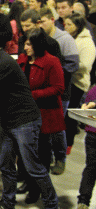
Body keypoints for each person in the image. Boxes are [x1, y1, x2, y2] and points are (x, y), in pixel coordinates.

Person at [0, 28, 59, 209]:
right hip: (11, 120)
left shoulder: (2, 63)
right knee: (6, 165)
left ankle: (52, 204)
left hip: (24, 121)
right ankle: (8, 202)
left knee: (33, 167)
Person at [17, 29, 65, 203]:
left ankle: (37, 189)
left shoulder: (52, 62)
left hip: (44, 114)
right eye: (25, 43)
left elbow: (59, 87)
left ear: (38, 44)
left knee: (41, 154)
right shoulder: (23, 59)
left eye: (29, 44)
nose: (25, 47)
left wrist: (34, 94)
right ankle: (28, 183)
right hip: (25, 114)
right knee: (25, 153)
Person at [39, 7, 80, 175]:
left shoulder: (65, 39)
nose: (40, 25)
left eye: (42, 21)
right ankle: (46, 159)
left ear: (52, 20)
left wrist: (51, 72)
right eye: (38, 22)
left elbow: (73, 65)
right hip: (44, 92)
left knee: (56, 129)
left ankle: (60, 159)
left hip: (60, 93)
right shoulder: (40, 38)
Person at [64, 12, 96, 154]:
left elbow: (86, 65)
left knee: (70, 115)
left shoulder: (87, 42)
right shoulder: (70, 37)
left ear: (77, 26)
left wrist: (69, 62)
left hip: (77, 82)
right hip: (68, 79)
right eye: (65, 24)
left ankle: (68, 144)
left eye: (69, 24)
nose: (66, 27)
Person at [77, 89, 96, 209]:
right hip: (93, 134)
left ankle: (83, 201)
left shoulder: (94, 89)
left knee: (91, 167)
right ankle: (83, 201)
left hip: (92, 133)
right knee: (91, 167)